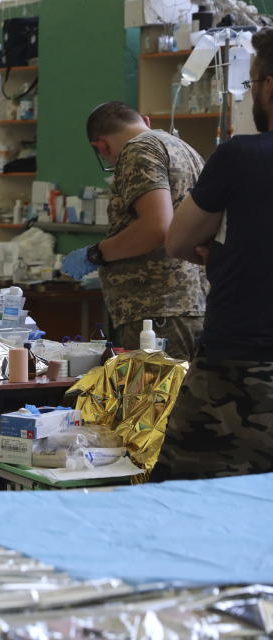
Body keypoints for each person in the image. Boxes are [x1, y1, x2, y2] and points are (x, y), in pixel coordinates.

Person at [154, 27, 273, 481]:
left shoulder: (242, 156)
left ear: (270, 86)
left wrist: (227, 253)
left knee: (184, 502)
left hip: (242, 371)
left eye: (251, 83)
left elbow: (177, 241)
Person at [61, 101, 207, 360]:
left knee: (152, 399)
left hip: (157, 311)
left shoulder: (137, 150)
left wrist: (97, 254)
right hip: (190, 304)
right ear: (146, 121)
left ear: (101, 146)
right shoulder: (185, 150)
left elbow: (157, 227)